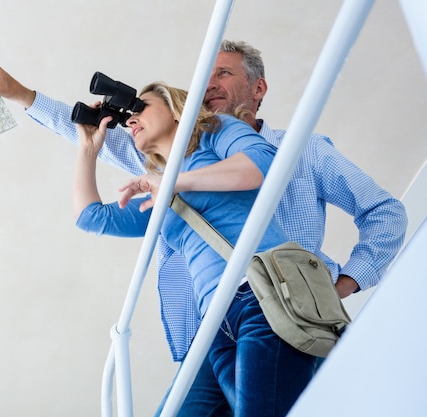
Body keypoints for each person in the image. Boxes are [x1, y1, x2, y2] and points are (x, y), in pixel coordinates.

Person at [0, 40, 407, 415]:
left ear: (259, 88)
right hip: (213, 320)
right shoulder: (170, 166)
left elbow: (383, 210)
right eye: (203, 76)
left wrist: (346, 282)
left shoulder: (297, 150)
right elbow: (98, 192)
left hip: (279, 302)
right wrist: (25, 96)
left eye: (223, 73)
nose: (209, 84)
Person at [74, 81, 318, 417]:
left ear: (176, 110)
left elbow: (262, 166)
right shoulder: (159, 189)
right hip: (215, 322)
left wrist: (173, 181)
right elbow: (93, 218)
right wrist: (88, 150)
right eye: (127, 118)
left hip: (262, 296)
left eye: (140, 107)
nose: (130, 120)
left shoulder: (216, 132)